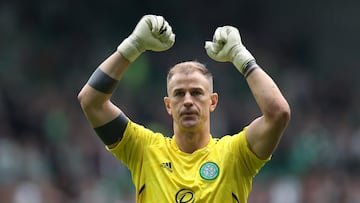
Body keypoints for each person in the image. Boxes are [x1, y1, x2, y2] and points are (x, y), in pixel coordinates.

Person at [78, 14, 291, 203]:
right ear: (168, 105)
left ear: (213, 101)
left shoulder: (235, 155)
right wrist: (132, 45)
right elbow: (91, 101)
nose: (188, 101)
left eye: (197, 93)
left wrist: (241, 56)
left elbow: (278, 113)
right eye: (179, 94)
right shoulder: (144, 150)